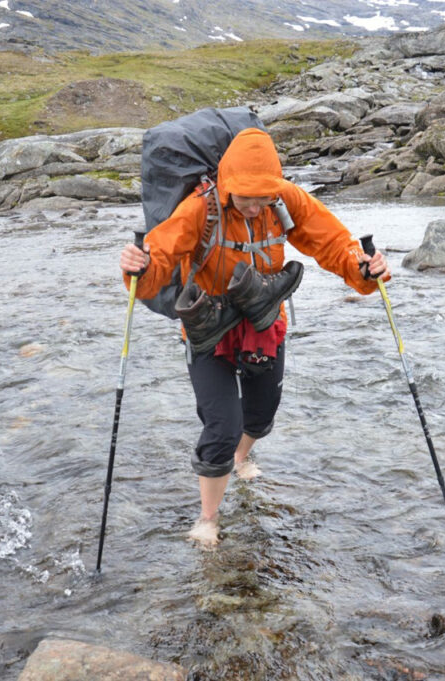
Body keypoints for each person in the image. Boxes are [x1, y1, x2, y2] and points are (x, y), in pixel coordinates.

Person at [119, 127, 390, 547]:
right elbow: (160, 256)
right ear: (227, 185)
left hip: (264, 321)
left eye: (262, 196)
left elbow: (334, 243)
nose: (252, 205)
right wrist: (138, 266)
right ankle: (208, 517)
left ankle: (241, 458)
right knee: (222, 427)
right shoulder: (199, 209)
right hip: (210, 329)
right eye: (244, 197)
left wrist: (363, 268)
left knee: (261, 414)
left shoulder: (287, 201)